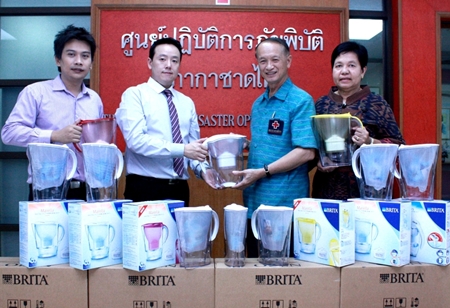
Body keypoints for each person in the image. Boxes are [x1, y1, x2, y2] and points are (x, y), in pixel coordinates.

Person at [232, 37, 318, 257]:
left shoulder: (301, 100)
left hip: (283, 206)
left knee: (280, 277)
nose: (268, 66)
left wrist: (263, 172)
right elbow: (274, 145)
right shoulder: (258, 104)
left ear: (288, 61)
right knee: (253, 275)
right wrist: (243, 144)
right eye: (263, 61)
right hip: (253, 203)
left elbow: (306, 152)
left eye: (274, 60)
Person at [1, 25, 103, 201]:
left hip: (87, 191)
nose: (78, 61)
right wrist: (54, 135)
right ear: (58, 60)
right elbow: (9, 133)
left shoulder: (94, 99)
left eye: (85, 56)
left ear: (91, 63)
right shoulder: (35, 92)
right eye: (71, 54)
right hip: (47, 189)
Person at [115, 37, 216, 206]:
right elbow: (136, 141)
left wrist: (204, 170)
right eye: (162, 59)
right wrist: (182, 150)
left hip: (180, 189)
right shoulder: (135, 95)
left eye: (174, 60)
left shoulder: (186, 102)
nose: (168, 65)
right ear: (150, 62)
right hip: (145, 187)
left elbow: (193, 149)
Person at [311, 41, 405, 200]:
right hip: (325, 189)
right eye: (338, 66)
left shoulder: (377, 104)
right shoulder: (320, 104)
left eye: (352, 66)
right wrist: (318, 161)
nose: (344, 71)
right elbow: (310, 146)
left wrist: (370, 141)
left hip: (366, 189)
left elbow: (400, 146)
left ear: (363, 71)